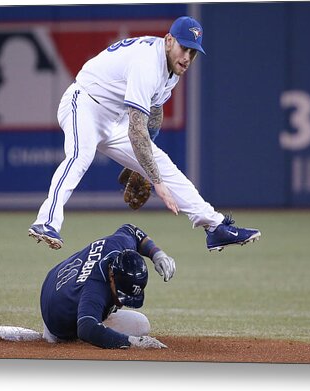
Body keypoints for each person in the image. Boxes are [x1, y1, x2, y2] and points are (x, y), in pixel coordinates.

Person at [29, 16, 261, 251]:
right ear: (169, 40)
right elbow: (137, 128)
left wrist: (142, 167)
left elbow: (154, 117)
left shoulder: (172, 68)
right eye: (184, 48)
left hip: (114, 119)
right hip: (84, 103)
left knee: (164, 164)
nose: (187, 57)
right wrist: (155, 181)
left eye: (193, 52)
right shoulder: (148, 63)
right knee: (81, 156)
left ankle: (215, 227)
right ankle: (46, 222)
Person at [40, 223, 175, 349]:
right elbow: (86, 328)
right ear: (112, 276)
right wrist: (132, 342)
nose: (122, 303)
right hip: (58, 317)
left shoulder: (119, 246)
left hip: (57, 280)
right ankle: (50, 337)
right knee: (140, 326)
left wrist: (157, 254)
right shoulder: (95, 288)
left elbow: (132, 230)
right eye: (121, 294)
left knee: (136, 323)